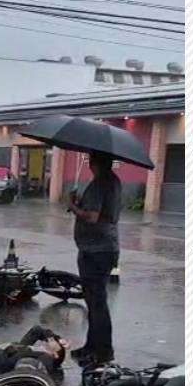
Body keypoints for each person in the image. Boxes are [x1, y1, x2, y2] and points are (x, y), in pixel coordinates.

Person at [67, 152, 122, 365]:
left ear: (95, 163)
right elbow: (98, 209)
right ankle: (92, 346)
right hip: (100, 248)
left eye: (91, 160)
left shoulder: (101, 183)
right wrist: (81, 202)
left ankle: (103, 351)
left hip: (97, 250)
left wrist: (72, 206)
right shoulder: (111, 181)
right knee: (93, 302)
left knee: (97, 302)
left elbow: (92, 217)